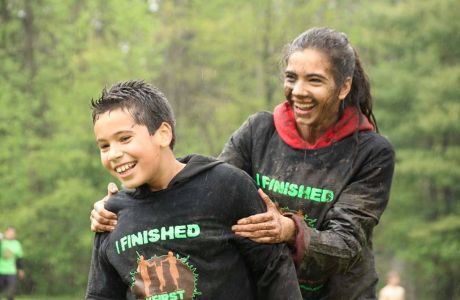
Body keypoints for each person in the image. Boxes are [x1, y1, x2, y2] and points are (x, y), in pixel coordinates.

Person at [90, 27, 395, 299]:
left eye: (314, 80)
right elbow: (206, 189)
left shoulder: (371, 152)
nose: (299, 91)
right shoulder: (258, 131)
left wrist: (290, 230)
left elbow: (347, 243)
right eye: (291, 78)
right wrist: (136, 194)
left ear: (343, 87)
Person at [85, 80, 302, 299]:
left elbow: (273, 271)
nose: (113, 153)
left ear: (163, 134)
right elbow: (101, 295)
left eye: (124, 139)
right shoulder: (110, 215)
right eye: (104, 146)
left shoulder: (225, 186)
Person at [0, 227, 25, 300]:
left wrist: (21, 269)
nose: (11, 234)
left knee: (11, 293)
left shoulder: (16, 244)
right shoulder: (1, 242)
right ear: (6, 232)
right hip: (0, 271)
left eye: (12, 233)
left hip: (11, 271)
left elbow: (19, 258)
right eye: (9, 232)